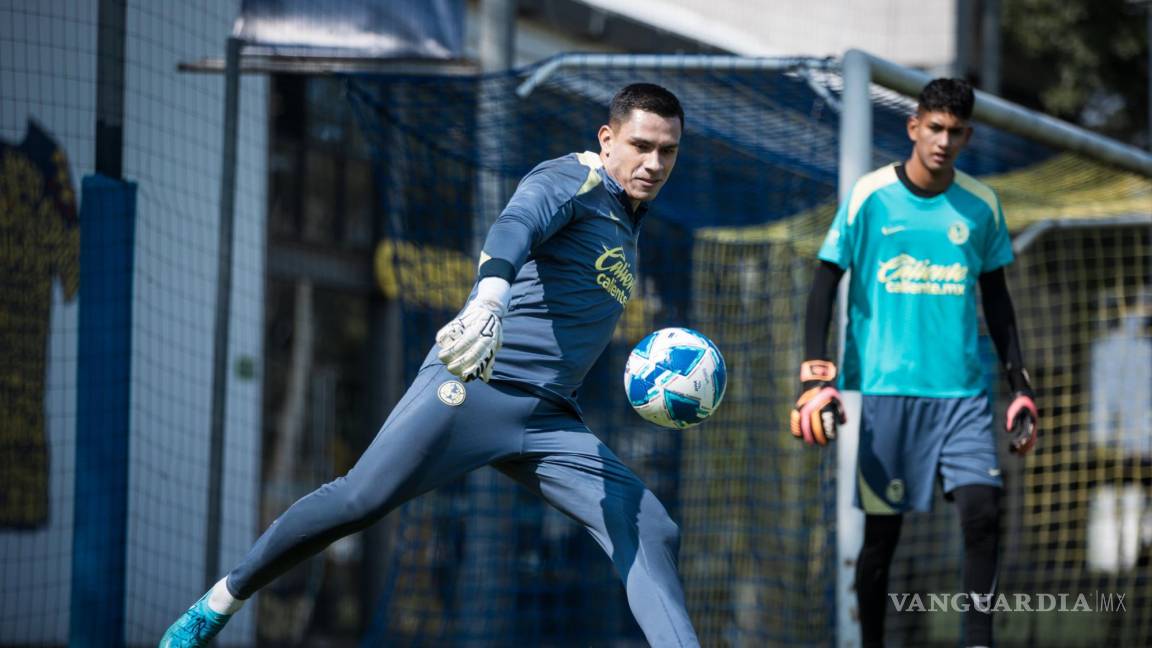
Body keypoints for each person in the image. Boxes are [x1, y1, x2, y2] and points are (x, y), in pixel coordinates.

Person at [160, 83, 700, 647]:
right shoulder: (572, 179)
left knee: (651, 527)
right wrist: (490, 297)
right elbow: (514, 227)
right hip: (476, 386)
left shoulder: (627, 216)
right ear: (607, 138)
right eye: (641, 145)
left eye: (668, 151)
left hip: (550, 421)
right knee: (358, 501)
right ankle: (219, 602)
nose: (654, 162)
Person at [790, 78, 1038, 648]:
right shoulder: (870, 195)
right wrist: (813, 373)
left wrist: (1019, 382)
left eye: (955, 131)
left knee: (982, 512)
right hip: (886, 395)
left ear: (967, 135)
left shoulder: (981, 205)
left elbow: (996, 297)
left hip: (963, 397)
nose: (943, 140)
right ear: (913, 127)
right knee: (882, 539)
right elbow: (826, 278)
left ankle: (978, 641)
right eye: (934, 128)